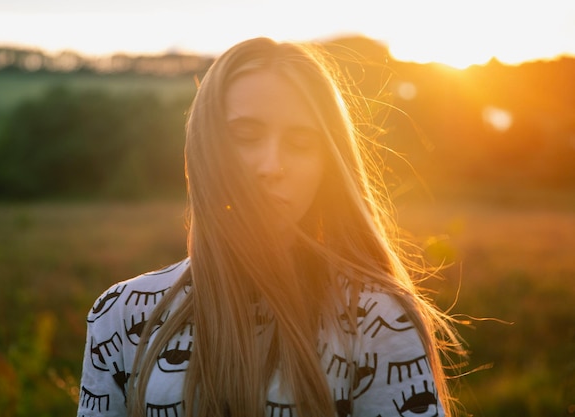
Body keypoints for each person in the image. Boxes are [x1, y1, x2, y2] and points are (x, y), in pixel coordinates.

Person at [77, 37, 465, 417]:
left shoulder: (375, 317)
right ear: (205, 146)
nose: (271, 165)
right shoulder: (120, 314)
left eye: (300, 142)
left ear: (326, 166)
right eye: (246, 135)